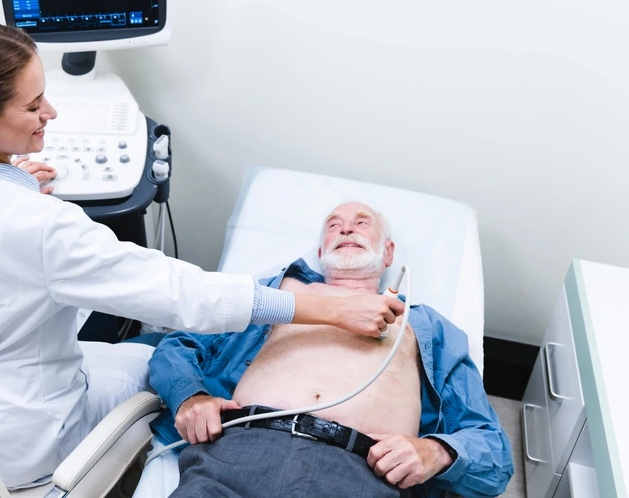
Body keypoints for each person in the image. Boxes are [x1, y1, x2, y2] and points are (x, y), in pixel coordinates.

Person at [0, 20, 408, 490]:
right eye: (33, 105)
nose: (50, 112)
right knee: (155, 358)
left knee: (157, 351)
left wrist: (12, 188)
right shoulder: (36, 223)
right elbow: (175, 292)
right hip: (21, 438)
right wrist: (320, 307)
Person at [144, 202, 514, 498]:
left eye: (361, 222)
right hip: (236, 454)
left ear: (388, 253)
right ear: (322, 251)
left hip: (359, 473)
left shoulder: (427, 329)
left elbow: (492, 451)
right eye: (334, 225)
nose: (346, 228)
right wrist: (189, 398)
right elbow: (179, 345)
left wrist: (435, 453)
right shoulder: (275, 295)